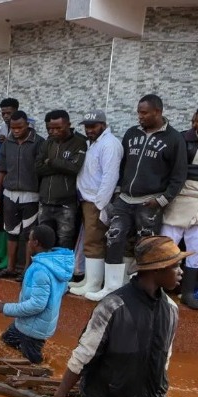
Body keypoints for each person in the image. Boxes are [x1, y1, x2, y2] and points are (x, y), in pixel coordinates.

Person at [45, 236, 191, 397]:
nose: (181, 272)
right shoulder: (112, 306)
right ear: (156, 270)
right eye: (176, 266)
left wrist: (159, 393)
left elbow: (164, 358)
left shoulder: (171, 309)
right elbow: (83, 356)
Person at [86, 95, 188, 301]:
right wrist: (117, 192)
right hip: (124, 199)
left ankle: (137, 291)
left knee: (144, 246)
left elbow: (179, 175)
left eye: (144, 113)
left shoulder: (174, 139)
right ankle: (112, 288)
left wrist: (161, 200)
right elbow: (122, 166)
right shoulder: (131, 133)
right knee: (114, 239)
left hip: (150, 202)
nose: (139, 116)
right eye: (138, 112)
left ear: (158, 112)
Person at [0, 225, 74, 364]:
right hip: (27, 323)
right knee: (4, 343)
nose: (28, 242)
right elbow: (62, 289)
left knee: (33, 366)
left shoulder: (41, 270)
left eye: (30, 239)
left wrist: (5, 308)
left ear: (36, 243)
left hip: (33, 330)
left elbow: (37, 305)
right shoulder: (55, 264)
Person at [69, 110, 122, 297]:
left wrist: (100, 205)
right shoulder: (94, 143)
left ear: (103, 125)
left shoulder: (109, 144)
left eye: (93, 126)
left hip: (96, 201)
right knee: (89, 241)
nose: (89, 130)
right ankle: (89, 280)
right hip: (87, 200)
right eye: (87, 127)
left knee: (94, 242)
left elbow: (110, 177)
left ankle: (94, 284)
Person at [0, 110, 45, 280]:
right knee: (11, 232)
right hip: (9, 195)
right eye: (13, 127)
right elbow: (1, 170)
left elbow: (43, 171)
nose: (16, 130)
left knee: (30, 235)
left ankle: (27, 270)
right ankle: (10, 267)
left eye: (19, 127)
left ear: (27, 125)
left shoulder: (39, 142)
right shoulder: (7, 143)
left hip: (31, 195)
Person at [159, 108, 198, 309]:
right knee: (167, 244)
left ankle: (188, 292)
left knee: (195, 249)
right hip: (179, 196)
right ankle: (160, 288)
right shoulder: (182, 139)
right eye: (195, 120)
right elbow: (174, 168)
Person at [36, 110, 87, 250]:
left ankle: (63, 265)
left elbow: (74, 168)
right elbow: (38, 168)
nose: (54, 131)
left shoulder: (79, 142)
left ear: (68, 125)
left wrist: (51, 161)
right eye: (50, 128)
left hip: (66, 203)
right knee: (43, 239)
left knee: (65, 239)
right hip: (45, 201)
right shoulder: (47, 143)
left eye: (58, 128)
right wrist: (62, 165)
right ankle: (45, 264)